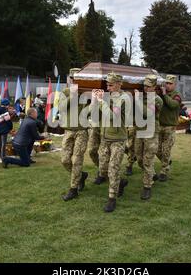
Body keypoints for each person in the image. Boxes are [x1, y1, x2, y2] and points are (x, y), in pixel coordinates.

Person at [92, 72, 130, 212]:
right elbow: (94, 114)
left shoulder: (124, 98)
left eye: (111, 85)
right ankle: (121, 182)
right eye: (107, 85)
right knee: (103, 168)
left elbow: (113, 117)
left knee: (113, 168)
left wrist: (102, 102)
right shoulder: (107, 97)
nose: (108, 88)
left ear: (119, 84)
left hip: (118, 139)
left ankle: (112, 198)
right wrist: (95, 101)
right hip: (105, 137)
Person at [60, 75, 90, 201]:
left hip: (81, 131)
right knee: (65, 160)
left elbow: (92, 110)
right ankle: (81, 175)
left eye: (77, 80)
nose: (74, 82)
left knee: (76, 160)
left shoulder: (87, 94)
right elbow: (61, 108)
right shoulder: (65, 92)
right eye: (72, 79)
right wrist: (72, 97)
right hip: (68, 131)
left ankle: (73, 189)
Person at [134, 75, 163, 200]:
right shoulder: (141, 97)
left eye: (148, 86)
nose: (145, 88)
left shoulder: (157, 100)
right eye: (144, 86)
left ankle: (147, 186)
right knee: (139, 159)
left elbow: (148, 114)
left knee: (147, 160)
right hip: (139, 131)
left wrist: (137, 100)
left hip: (151, 132)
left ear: (154, 87)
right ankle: (152, 174)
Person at [156, 74, 181, 182]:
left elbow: (172, 105)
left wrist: (165, 95)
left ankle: (164, 171)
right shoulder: (161, 94)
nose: (167, 85)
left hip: (170, 127)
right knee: (156, 149)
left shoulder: (177, 95)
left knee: (166, 150)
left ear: (174, 85)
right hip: (159, 125)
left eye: (170, 84)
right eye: (166, 83)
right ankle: (166, 161)